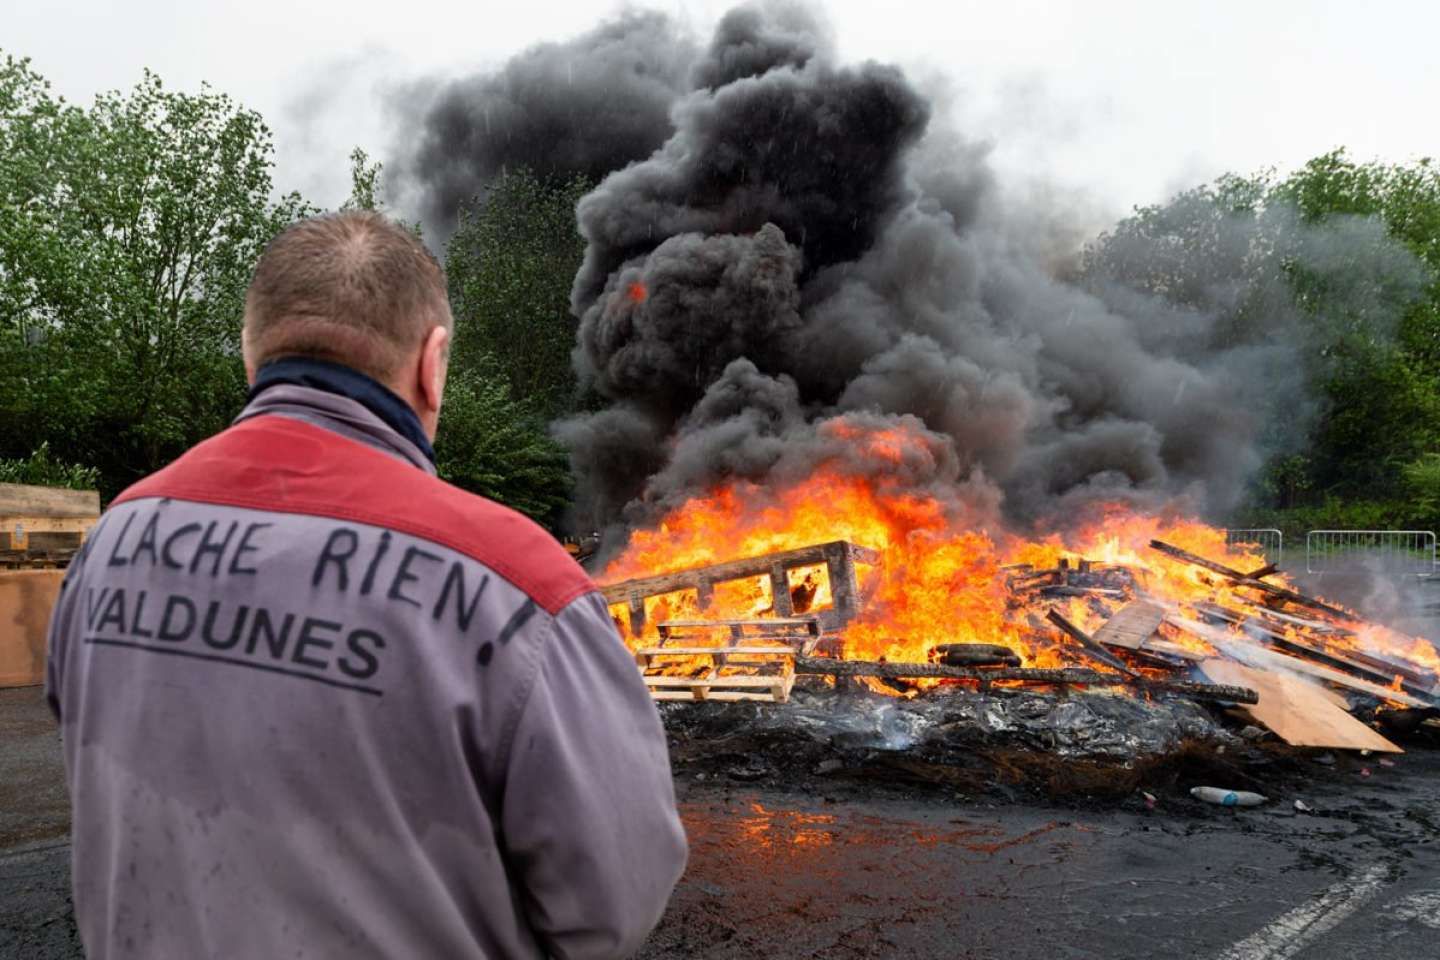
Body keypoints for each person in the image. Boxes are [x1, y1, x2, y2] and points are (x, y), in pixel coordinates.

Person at [45, 210, 687, 958]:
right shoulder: (517, 585)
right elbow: (614, 900)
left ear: (254, 356)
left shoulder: (116, 536)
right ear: (432, 361)